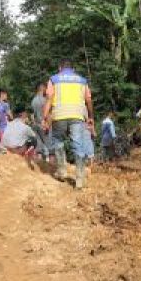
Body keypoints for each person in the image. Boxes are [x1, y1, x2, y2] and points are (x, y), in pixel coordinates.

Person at [43, 59, 94, 189]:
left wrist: (45, 117)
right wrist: (90, 117)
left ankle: (62, 171)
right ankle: (80, 179)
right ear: (73, 69)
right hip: (77, 115)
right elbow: (88, 100)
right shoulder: (82, 80)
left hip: (59, 115)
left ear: (60, 68)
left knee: (58, 141)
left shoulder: (54, 79)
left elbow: (49, 99)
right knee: (78, 145)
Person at [30, 80, 50, 162]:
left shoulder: (33, 100)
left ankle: (40, 162)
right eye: (46, 88)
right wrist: (47, 124)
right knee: (48, 144)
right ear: (43, 88)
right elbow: (47, 114)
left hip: (36, 124)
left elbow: (32, 115)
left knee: (39, 145)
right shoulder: (45, 100)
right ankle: (48, 162)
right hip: (44, 124)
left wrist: (34, 123)